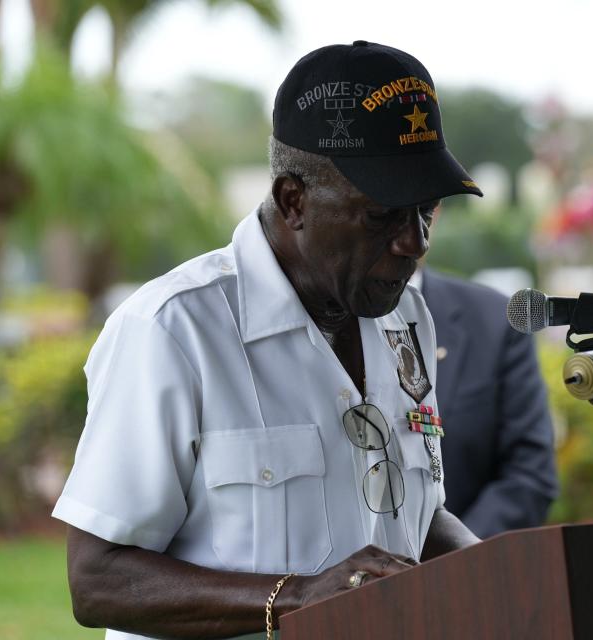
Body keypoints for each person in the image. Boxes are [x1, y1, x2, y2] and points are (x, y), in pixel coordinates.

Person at [53, 41, 484, 639]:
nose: (414, 243)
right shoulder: (172, 330)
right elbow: (97, 580)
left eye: (426, 212)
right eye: (383, 215)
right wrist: (297, 598)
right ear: (294, 200)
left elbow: (413, 516)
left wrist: (500, 572)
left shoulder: (404, 316)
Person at [414, 267, 557, 537]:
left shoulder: (495, 320)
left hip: (460, 569)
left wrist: (452, 560)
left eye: (421, 220)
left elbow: (530, 474)